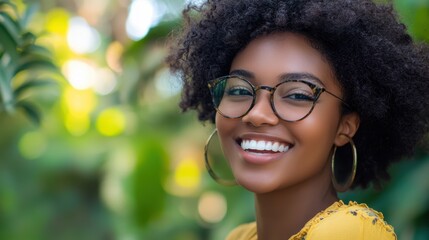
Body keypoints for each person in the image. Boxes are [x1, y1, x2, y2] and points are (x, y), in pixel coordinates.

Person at [167, 0, 429, 239]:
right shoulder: (239, 236)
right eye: (238, 90)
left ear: (345, 126)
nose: (256, 114)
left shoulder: (348, 232)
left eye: (297, 95)